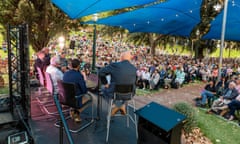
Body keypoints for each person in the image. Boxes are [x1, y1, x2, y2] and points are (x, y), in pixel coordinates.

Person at [98, 50, 137, 115]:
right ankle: (123, 105)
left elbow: (101, 72)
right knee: (126, 84)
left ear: (121, 58)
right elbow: (135, 81)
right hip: (130, 95)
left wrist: (105, 83)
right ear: (130, 59)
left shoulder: (115, 65)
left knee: (102, 88)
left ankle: (114, 106)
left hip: (115, 94)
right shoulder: (134, 68)